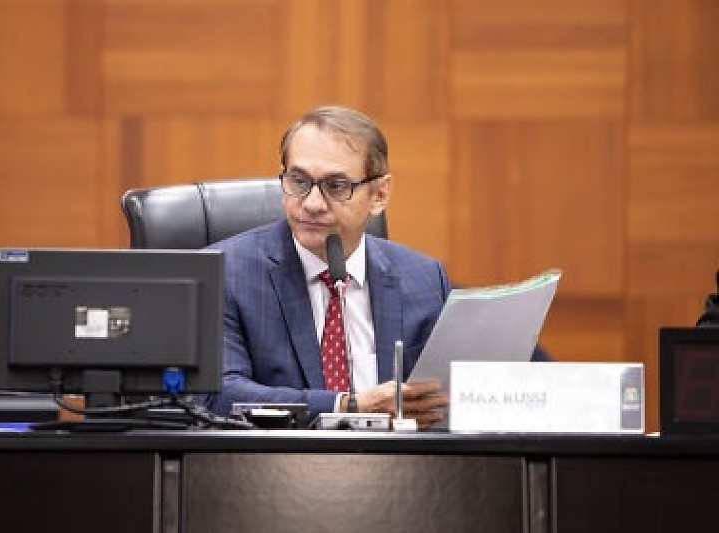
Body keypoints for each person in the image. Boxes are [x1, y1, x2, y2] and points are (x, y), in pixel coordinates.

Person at [204, 105, 539, 429]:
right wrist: (347, 407)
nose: (312, 204)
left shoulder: (423, 279)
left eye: (336, 186)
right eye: (298, 181)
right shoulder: (226, 272)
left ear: (379, 195)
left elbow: (460, 393)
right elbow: (217, 395)